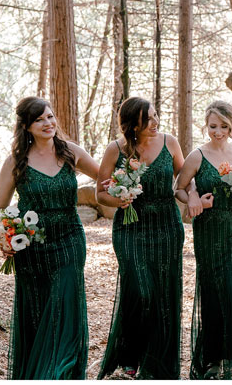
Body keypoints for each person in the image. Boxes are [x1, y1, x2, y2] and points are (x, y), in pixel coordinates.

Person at [0, 96, 99, 379]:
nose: (48, 123)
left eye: (50, 117)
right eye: (39, 120)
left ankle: (58, 373)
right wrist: (4, 237)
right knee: (38, 312)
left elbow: (104, 177)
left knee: (65, 306)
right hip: (31, 248)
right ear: (26, 126)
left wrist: (125, 186)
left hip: (69, 240)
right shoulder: (16, 162)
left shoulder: (71, 152)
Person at [96, 97, 186, 379]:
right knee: (139, 289)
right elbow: (100, 193)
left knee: (162, 293)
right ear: (132, 125)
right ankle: (129, 355)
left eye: (156, 115)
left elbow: (185, 180)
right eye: (147, 119)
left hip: (167, 226)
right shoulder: (115, 150)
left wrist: (195, 197)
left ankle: (157, 359)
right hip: (130, 227)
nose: (155, 122)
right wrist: (118, 200)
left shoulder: (170, 143)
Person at [175, 101, 232, 379]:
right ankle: (212, 358)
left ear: (231, 126)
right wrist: (194, 197)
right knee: (212, 288)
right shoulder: (197, 156)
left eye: (223, 126)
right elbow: (179, 188)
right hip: (208, 230)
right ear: (206, 126)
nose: (218, 132)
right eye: (213, 126)